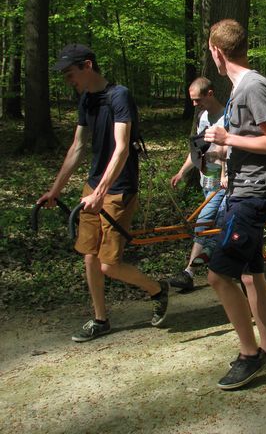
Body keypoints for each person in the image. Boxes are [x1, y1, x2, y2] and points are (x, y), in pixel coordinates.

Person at [39, 44, 169, 342]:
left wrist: (101, 192)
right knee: (89, 255)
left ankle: (158, 289)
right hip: (94, 186)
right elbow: (78, 147)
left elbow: (122, 148)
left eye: (70, 73)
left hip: (118, 188)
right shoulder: (86, 99)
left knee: (109, 264)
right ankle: (100, 319)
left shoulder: (119, 95)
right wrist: (55, 191)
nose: (68, 80)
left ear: (87, 66)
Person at [203, 19, 266, 390]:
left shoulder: (253, 85)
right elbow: (249, 139)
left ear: (217, 52)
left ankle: (248, 355)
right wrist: (220, 148)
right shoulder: (239, 89)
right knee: (252, 275)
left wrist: (229, 140)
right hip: (240, 189)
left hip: (253, 196)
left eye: (210, 52)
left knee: (219, 275)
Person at [169, 77, 226, 291]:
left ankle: (190, 271)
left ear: (210, 94)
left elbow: (230, 150)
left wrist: (224, 173)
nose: (194, 104)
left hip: (223, 184)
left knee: (205, 223)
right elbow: (197, 150)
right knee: (217, 225)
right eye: (192, 100)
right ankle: (220, 264)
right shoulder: (204, 117)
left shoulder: (226, 118)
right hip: (207, 182)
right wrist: (181, 172)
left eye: (197, 99)